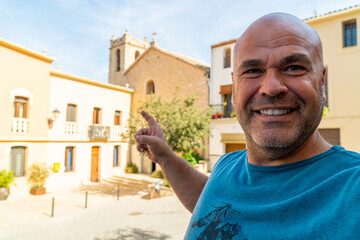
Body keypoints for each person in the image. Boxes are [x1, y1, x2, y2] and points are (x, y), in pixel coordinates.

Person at [136, 12, 360, 239]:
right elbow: (214, 206)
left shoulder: (352, 185)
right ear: (234, 87)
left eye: (293, 67)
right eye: (253, 71)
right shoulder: (226, 165)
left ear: (321, 81)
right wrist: (164, 157)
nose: (271, 87)